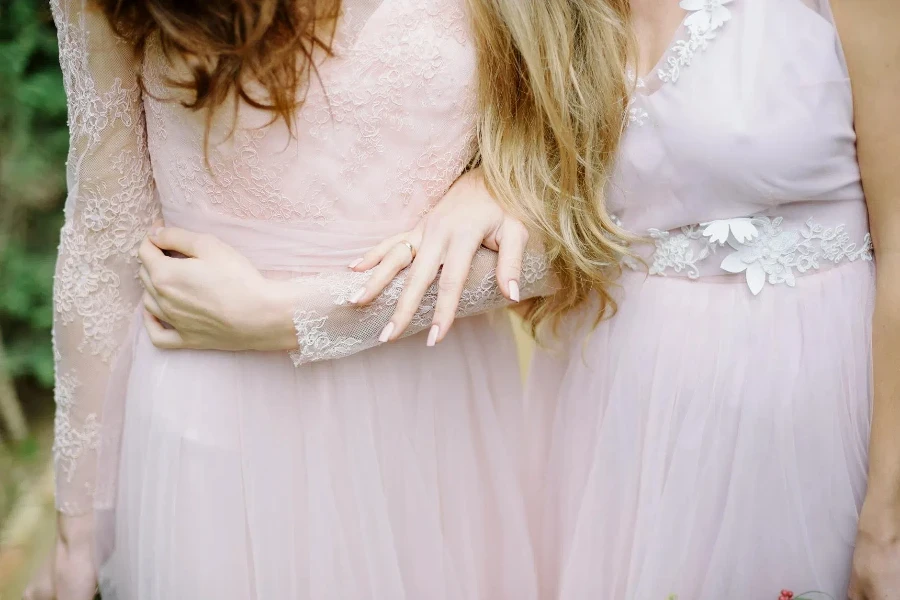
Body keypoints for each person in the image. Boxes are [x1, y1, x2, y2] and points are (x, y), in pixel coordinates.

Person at [25, 0, 630, 598]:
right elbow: (104, 237)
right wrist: (78, 528)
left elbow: (585, 234)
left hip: (430, 415)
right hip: (215, 410)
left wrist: (301, 315)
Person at [350, 0, 900, 598]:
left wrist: (887, 521)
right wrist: (482, 181)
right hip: (607, 412)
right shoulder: (544, 15)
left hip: (803, 416)